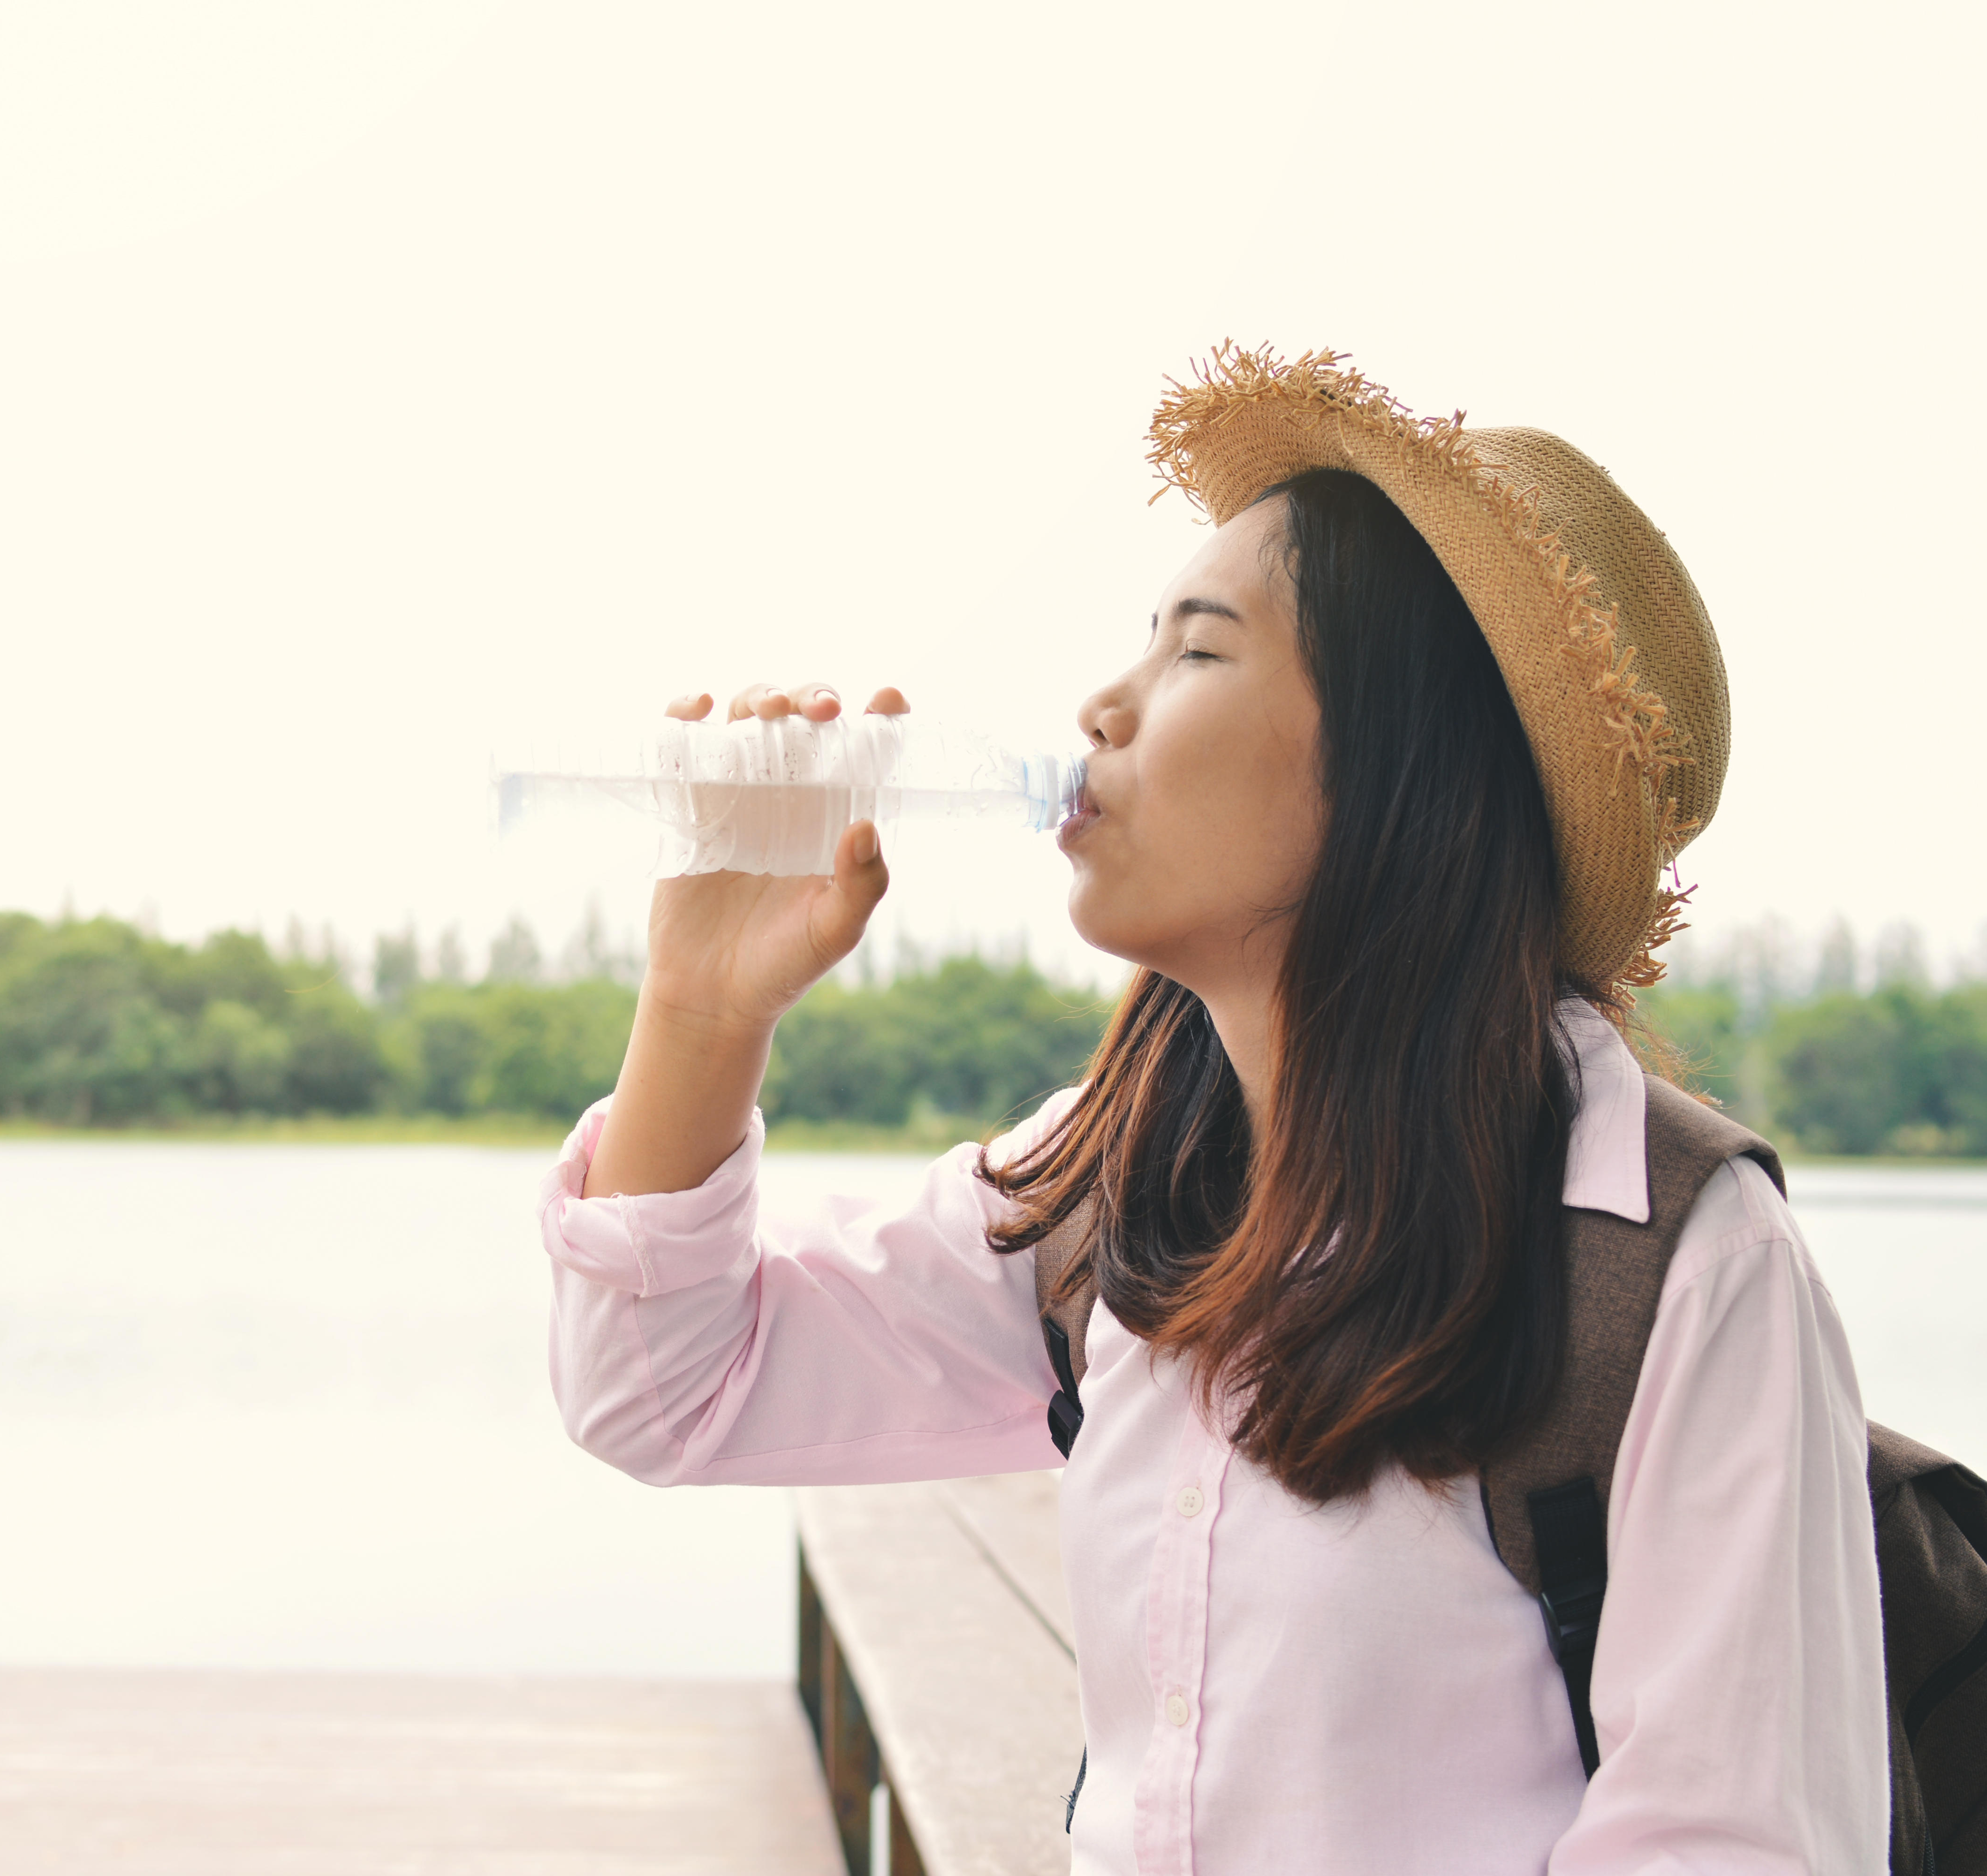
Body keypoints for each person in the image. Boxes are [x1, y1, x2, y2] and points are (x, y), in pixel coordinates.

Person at [537, 346, 1886, 1871]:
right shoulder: (1115, 1184)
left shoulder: (1667, 1262)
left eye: (1197, 651)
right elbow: (667, 1394)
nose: (1103, 706)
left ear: (1396, 765)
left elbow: (1735, 1843)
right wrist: (703, 1012)